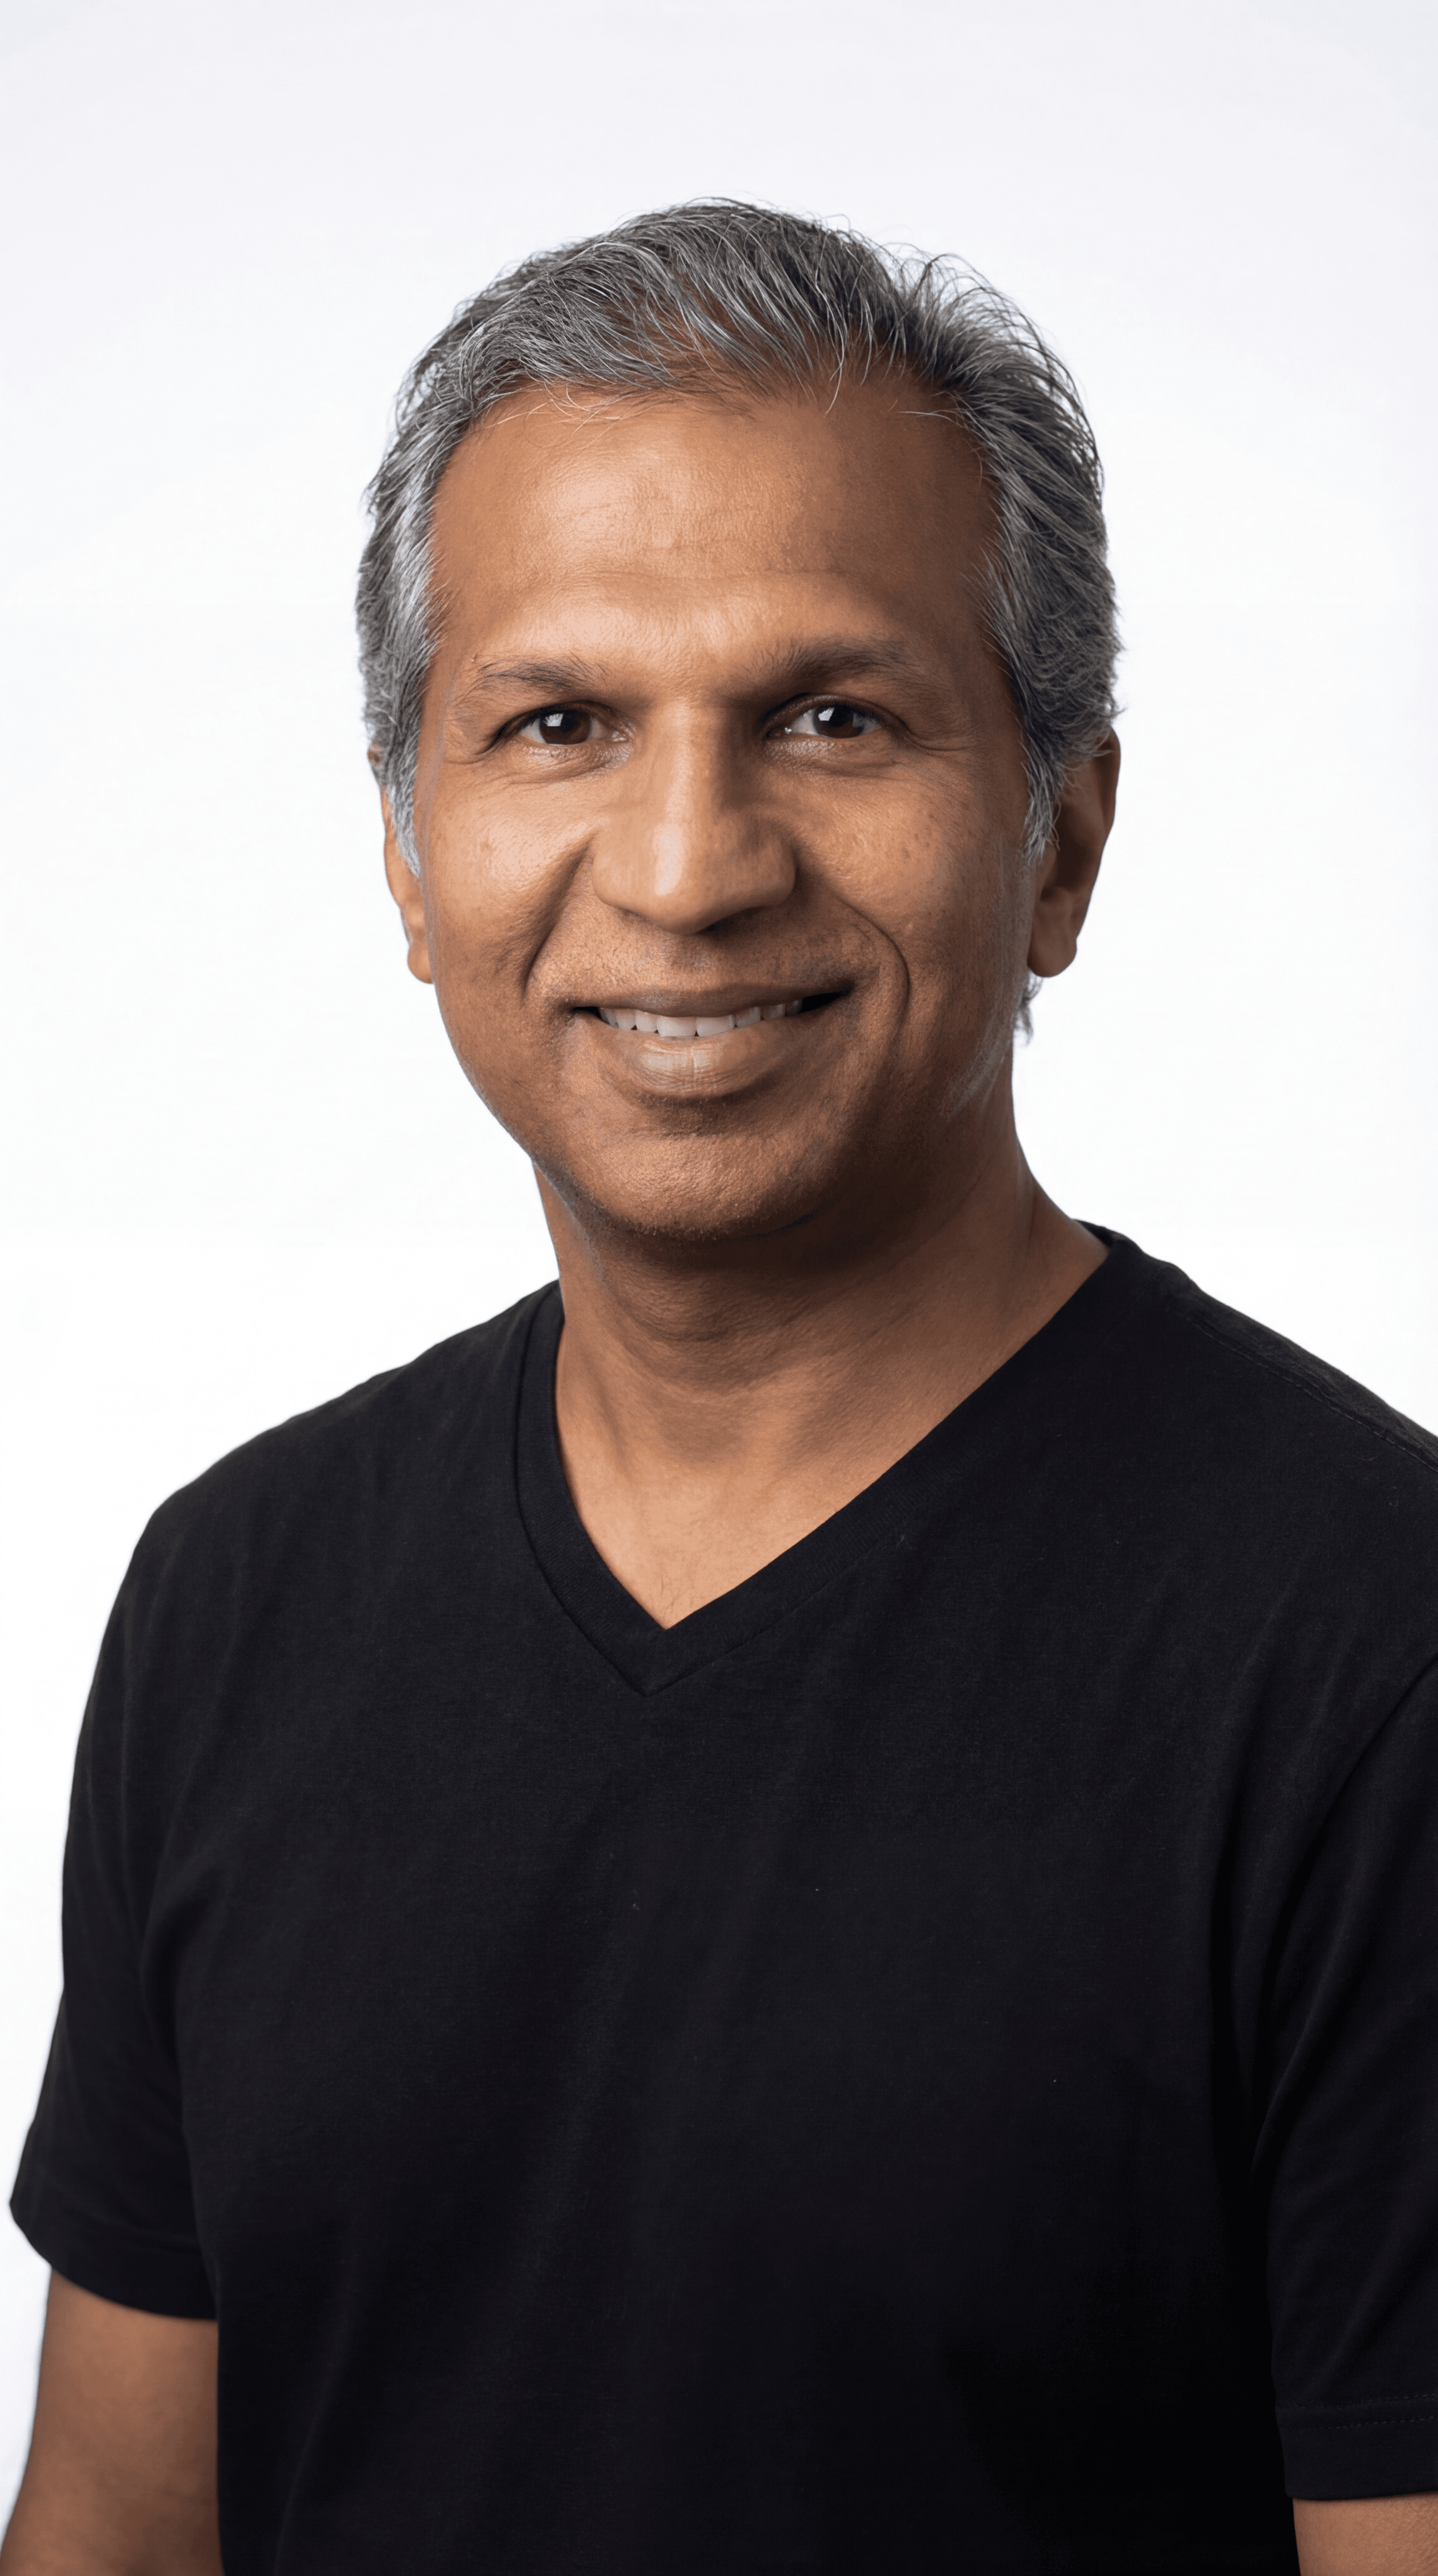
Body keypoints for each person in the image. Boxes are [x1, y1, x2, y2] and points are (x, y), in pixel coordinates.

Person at [4, 202, 1436, 2576]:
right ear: (408, 852)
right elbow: (119, 2536)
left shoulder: (1370, 1656)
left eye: (832, 717)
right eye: (558, 723)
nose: (685, 868)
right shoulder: (236, 1595)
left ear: (1063, 837)